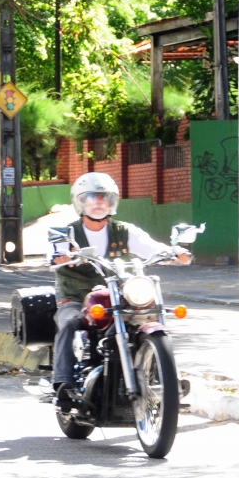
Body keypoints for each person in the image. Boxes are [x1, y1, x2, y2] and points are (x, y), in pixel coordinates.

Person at [48, 172, 190, 410]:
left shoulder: (125, 231)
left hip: (119, 297)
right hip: (74, 298)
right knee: (70, 323)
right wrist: (60, 255)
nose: (98, 202)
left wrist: (175, 252)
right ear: (80, 201)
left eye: (104, 197)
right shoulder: (67, 232)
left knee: (149, 315)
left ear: (112, 201)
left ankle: (163, 377)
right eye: (91, 197)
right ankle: (62, 382)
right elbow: (53, 253)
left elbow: (151, 247)